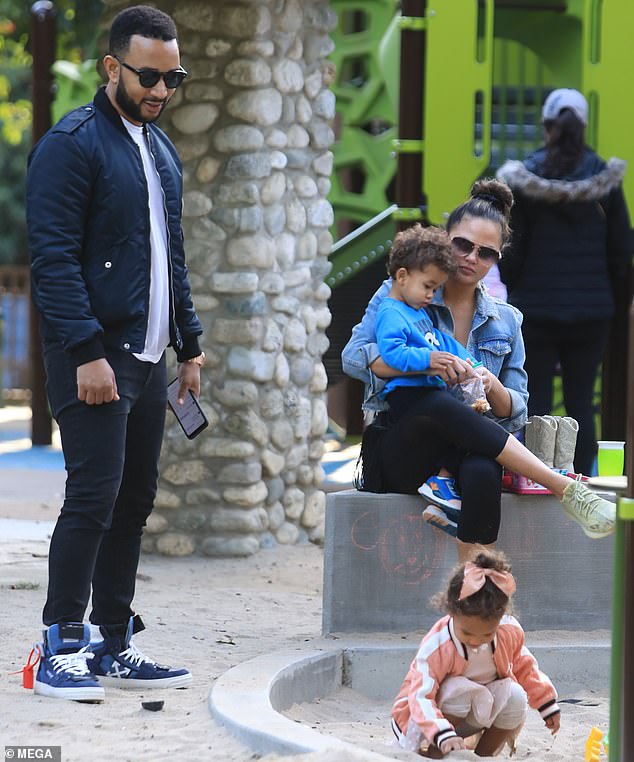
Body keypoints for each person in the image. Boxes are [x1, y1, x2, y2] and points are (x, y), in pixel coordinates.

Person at [26, 5, 203, 701]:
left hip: (150, 357)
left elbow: (173, 259)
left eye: (173, 77)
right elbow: (54, 261)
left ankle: (112, 644)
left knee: (132, 502)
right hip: (95, 357)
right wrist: (86, 354)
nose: (160, 89)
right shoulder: (71, 144)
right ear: (111, 67)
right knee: (93, 498)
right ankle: (58, 645)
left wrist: (189, 345)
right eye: (149, 75)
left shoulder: (159, 150)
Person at [342, 180, 616, 561]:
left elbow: (517, 406)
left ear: (498, 259)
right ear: (444, 239)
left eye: (486, 253)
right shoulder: (403, 292)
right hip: (404, 452)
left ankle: (474, 593)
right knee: (436, 402)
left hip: (466, 452)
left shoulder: (506, 320)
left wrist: (491, 386)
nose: (472, 258)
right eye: (463, 245)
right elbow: (352, 358)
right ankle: (561, 486)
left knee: (483, 469)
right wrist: (423, 362)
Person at [497, 88, 633, 475]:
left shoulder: (525, 179)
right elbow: (622, 248)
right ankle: (583, 482)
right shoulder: (605, 180)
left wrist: (517, 285)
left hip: (535, 309)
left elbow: (512, 247)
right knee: (580, 400)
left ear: (546, 126)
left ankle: (536, 481)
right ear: (584, 126)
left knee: (535, 396)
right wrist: (606, 292)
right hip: (592, 312)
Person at [391, 551, 560, 758]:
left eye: (487, 634)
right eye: (467, 633)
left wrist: (546, 703)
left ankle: (482, 756)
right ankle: (437, 753)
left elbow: (524, 665)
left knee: (516, 697)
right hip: (431, 721)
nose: (475, 640)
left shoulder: (508, 632)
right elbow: (420, 696)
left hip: (477, 711)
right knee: (459, 690)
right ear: (451, 612)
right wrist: (442, 733)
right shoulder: (438, 644)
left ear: (501, 619)